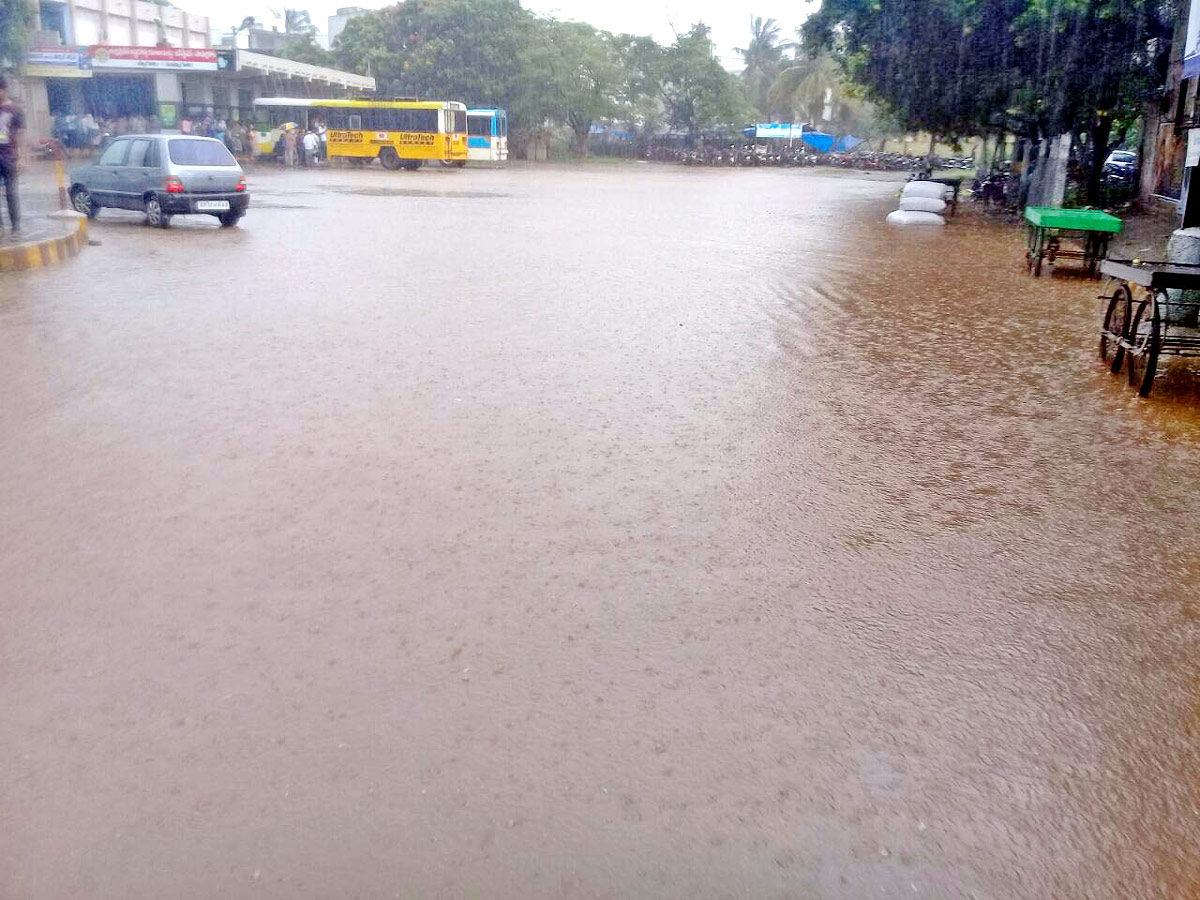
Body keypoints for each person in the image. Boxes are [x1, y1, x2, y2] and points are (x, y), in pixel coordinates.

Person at [0, 76, 25, 236]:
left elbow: (21, 134)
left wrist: (21, 158)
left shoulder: (15, 110)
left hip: (9, 156)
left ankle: (15, 226)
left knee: (11, 193)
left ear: (3, 89)